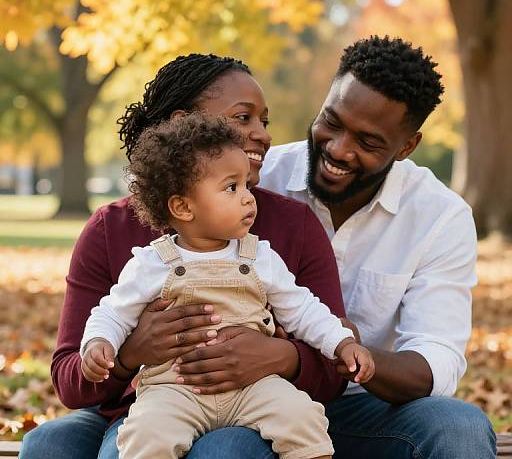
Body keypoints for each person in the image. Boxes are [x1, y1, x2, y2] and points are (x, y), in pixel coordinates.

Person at [20, 54, 350, 459]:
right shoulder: (116, 231)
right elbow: (72, 381)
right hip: (153, 403)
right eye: (243, 118)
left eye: (264, 121)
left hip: (258, 405)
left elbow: (329, 356)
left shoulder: (291, 226)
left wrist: (283, 357)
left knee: (225, 452)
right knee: (48, 444)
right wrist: (128, 354)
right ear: (182, 126)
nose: (262, 134)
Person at [255, 36, 496, 458]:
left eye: (367, 142)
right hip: (251, 406)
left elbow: (435, 359)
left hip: (360, 412)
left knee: (458, 428)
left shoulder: (440, 217)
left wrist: (348, 350)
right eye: (332, 121)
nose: (338, 149)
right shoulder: (256, 179)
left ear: (406, 146)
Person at [80, 113, 374, 459]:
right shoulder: (152, 263)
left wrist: (341, 343)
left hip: (254, 386)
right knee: (146, 433)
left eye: (247, 185)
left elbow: (302, 308)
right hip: (175, 390)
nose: (249, 198)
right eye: (232, 187)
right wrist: (99, 343)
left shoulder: (259, 256)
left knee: (301, 417)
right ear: (183, 207)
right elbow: (113, 313)